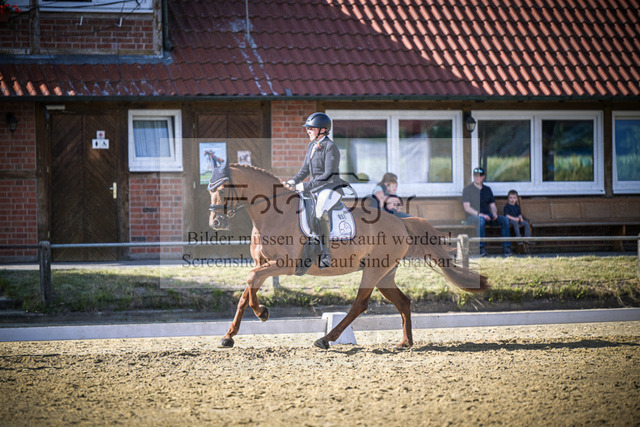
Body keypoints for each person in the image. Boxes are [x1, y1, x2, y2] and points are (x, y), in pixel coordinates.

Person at [284, 112, 343, 268]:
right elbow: (304, 170)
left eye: (311, 128)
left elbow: (328, 175)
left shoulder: (330, 147)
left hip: (331, 188)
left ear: (322, 130)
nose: (308, 131)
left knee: (319, 210)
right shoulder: (312, 145)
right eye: (307, 128)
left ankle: (325, 253)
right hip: (315, 188)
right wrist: (293, 181)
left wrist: (305, 186)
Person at [461, 167, 513, 257]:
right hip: (472, 217)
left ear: (483, 177)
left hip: (487, 216)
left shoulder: (487, 189)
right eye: (476, 176)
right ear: (473, 176)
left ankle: (506, 248)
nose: (477, 178)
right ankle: (481, 249)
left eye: (480, 176)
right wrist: (479, 214)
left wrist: (494, 213)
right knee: (481, 220)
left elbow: (492, 205)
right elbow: (467, 208)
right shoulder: (467, 189)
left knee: (504, 220)